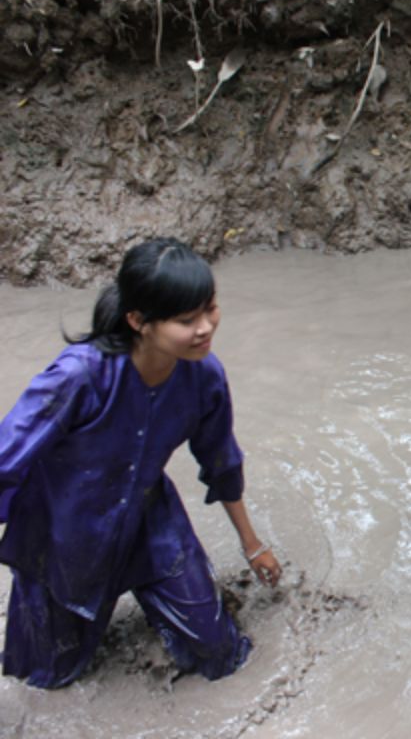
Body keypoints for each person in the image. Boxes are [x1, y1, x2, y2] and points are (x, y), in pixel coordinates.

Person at [0, 238, 282, 689]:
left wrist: (252, 544)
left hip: (148, 517)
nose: (206, 328)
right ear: (139, 321)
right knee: (47, 677)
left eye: (210, 309)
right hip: (63, 533)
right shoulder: (79, 376)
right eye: (186, 320)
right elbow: (6, 456)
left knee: (219, 654)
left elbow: (222, 461)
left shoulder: (205, 376)